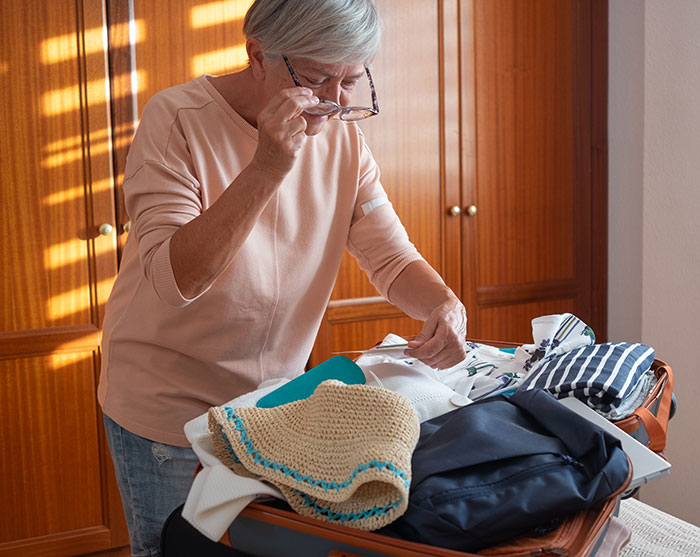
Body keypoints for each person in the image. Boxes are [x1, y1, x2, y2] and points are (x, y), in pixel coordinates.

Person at [98, 0, 467, 554]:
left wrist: (442, 303)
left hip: (273, 407)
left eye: (349, 80)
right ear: (257, 55)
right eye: (317, 79)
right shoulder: (177, 120)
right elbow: (178, 279)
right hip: (168, 409)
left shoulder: (342, 137)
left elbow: (391, 259)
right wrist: (268, 166)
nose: (335, 102)